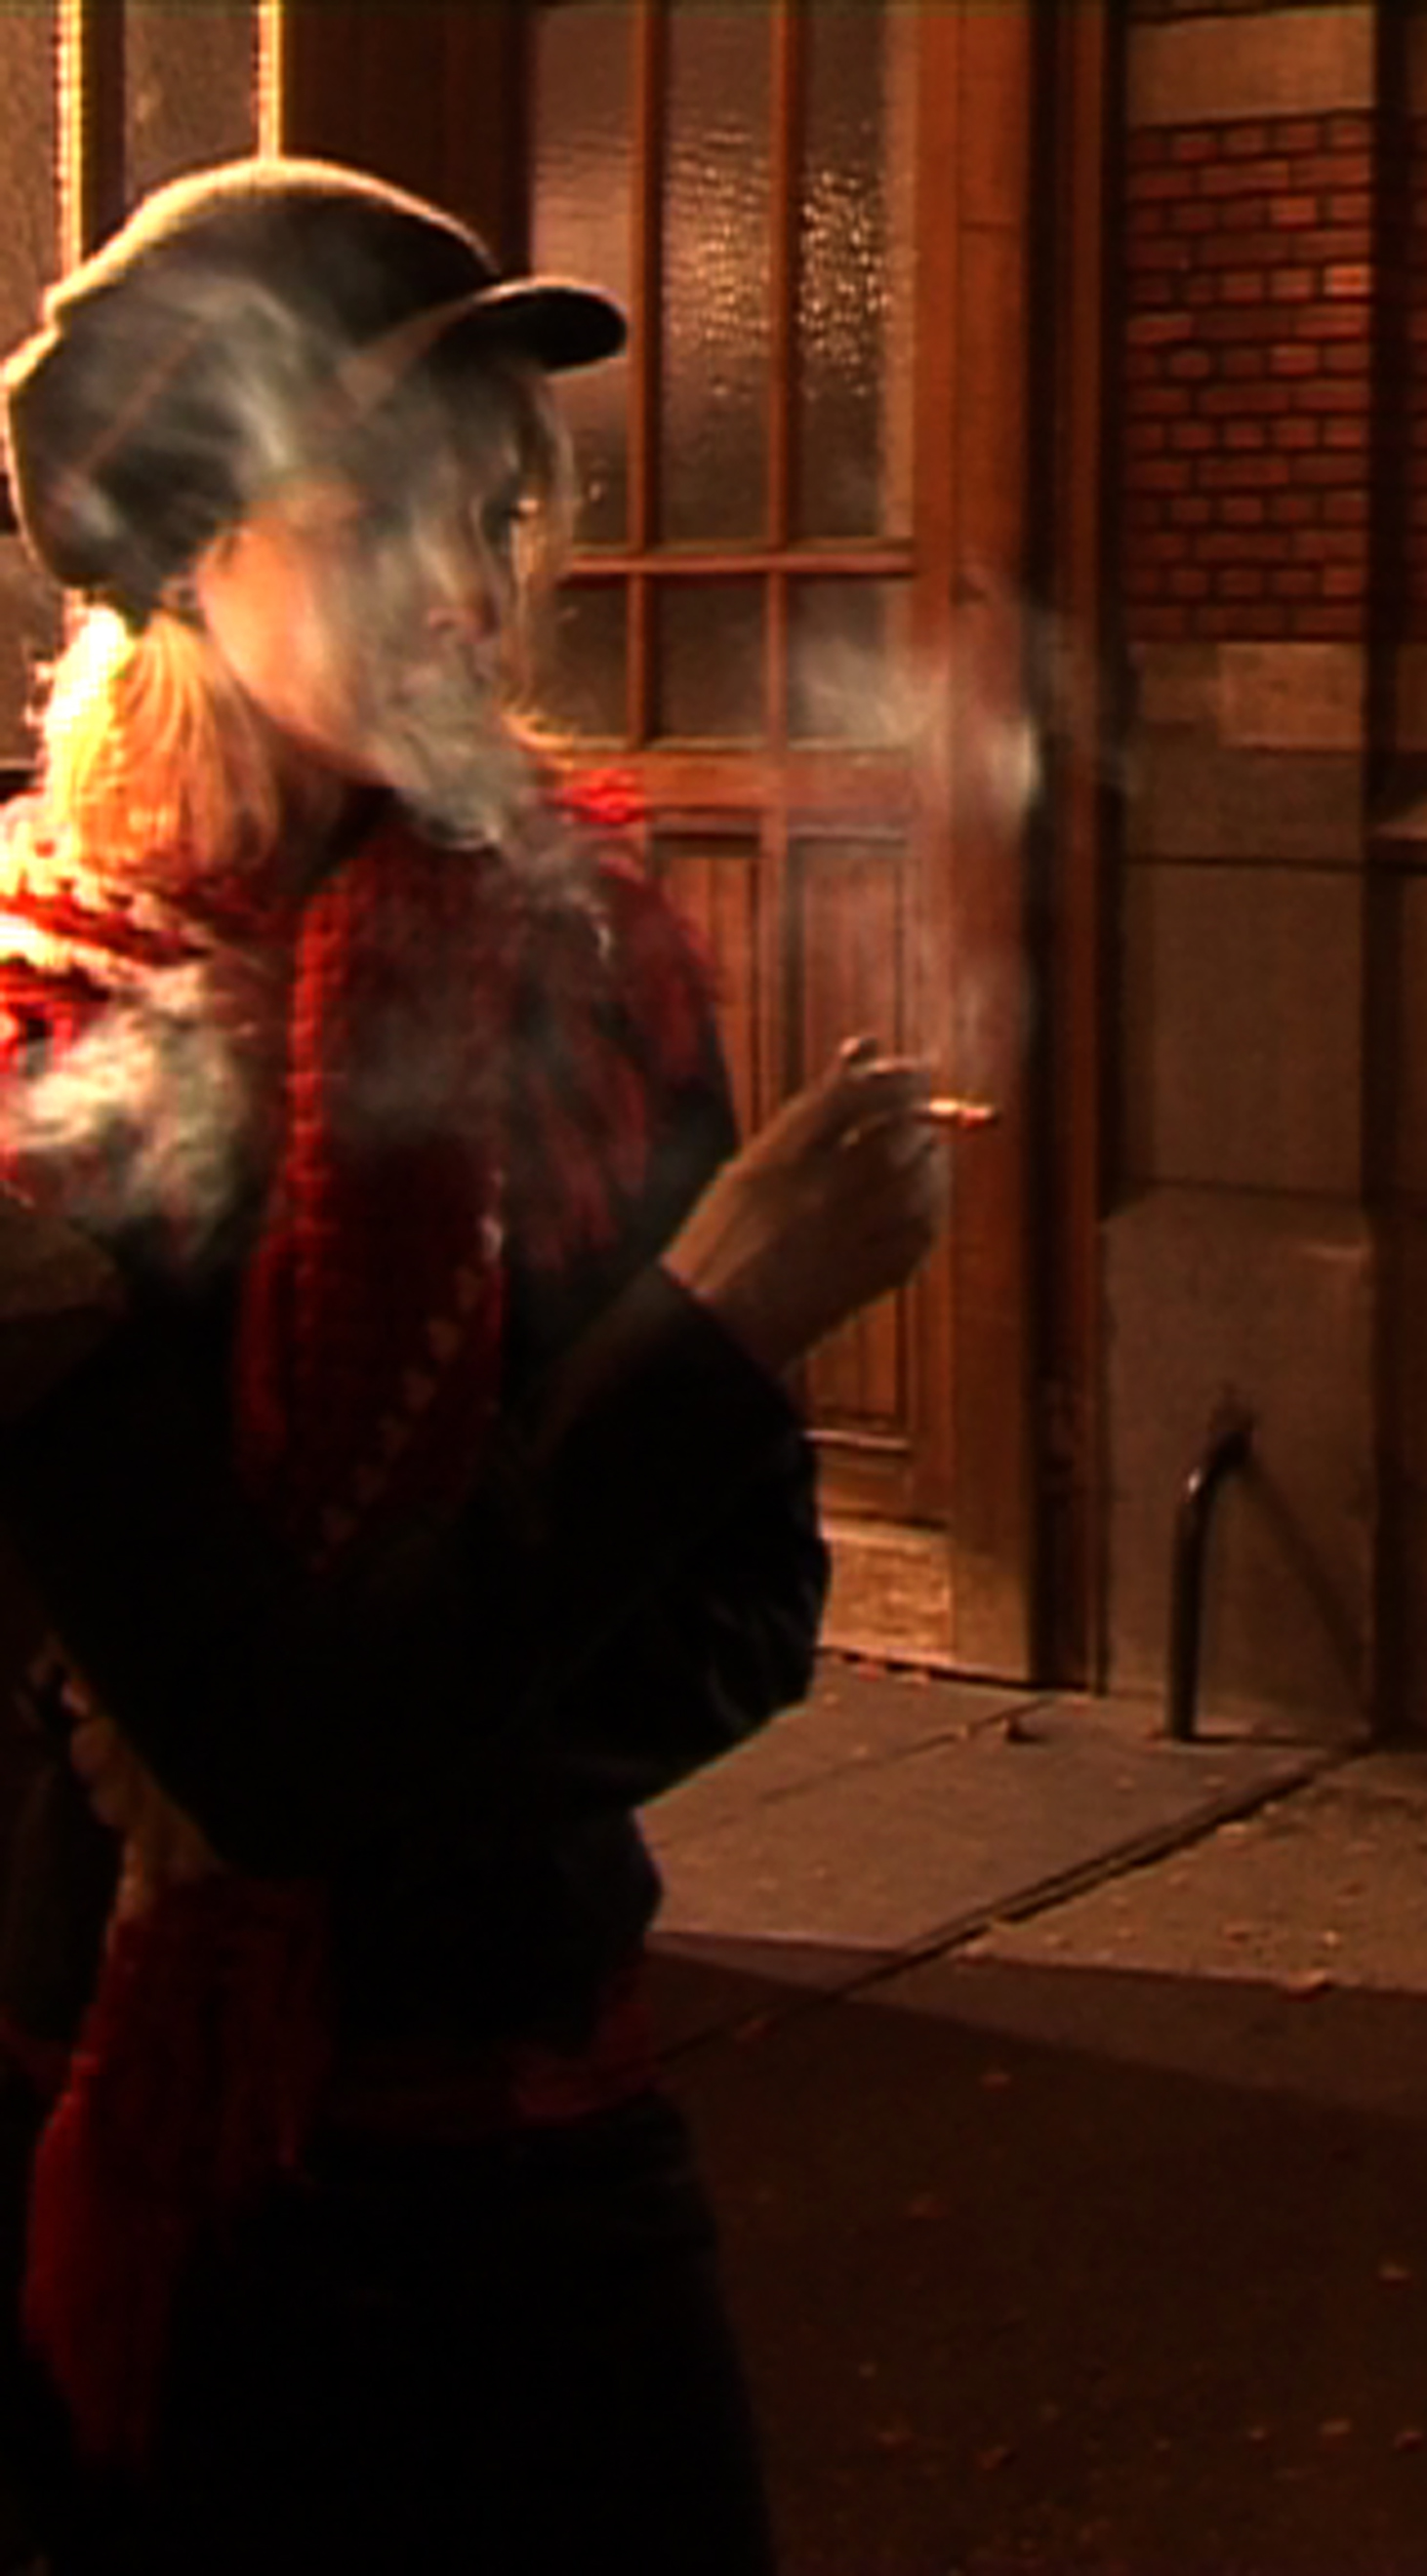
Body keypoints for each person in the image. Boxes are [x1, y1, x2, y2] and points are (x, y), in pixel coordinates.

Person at [0, 157, 958, 2570]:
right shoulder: (39, 1037)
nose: (473, 582)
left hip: (537, 2127)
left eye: (506, 509)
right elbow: (278, 1751)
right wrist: (709, 1324)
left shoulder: (585, 962)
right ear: (188, 547)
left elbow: (741, 1613)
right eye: (387, 511)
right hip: (135, 2160)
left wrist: (354, 1735)